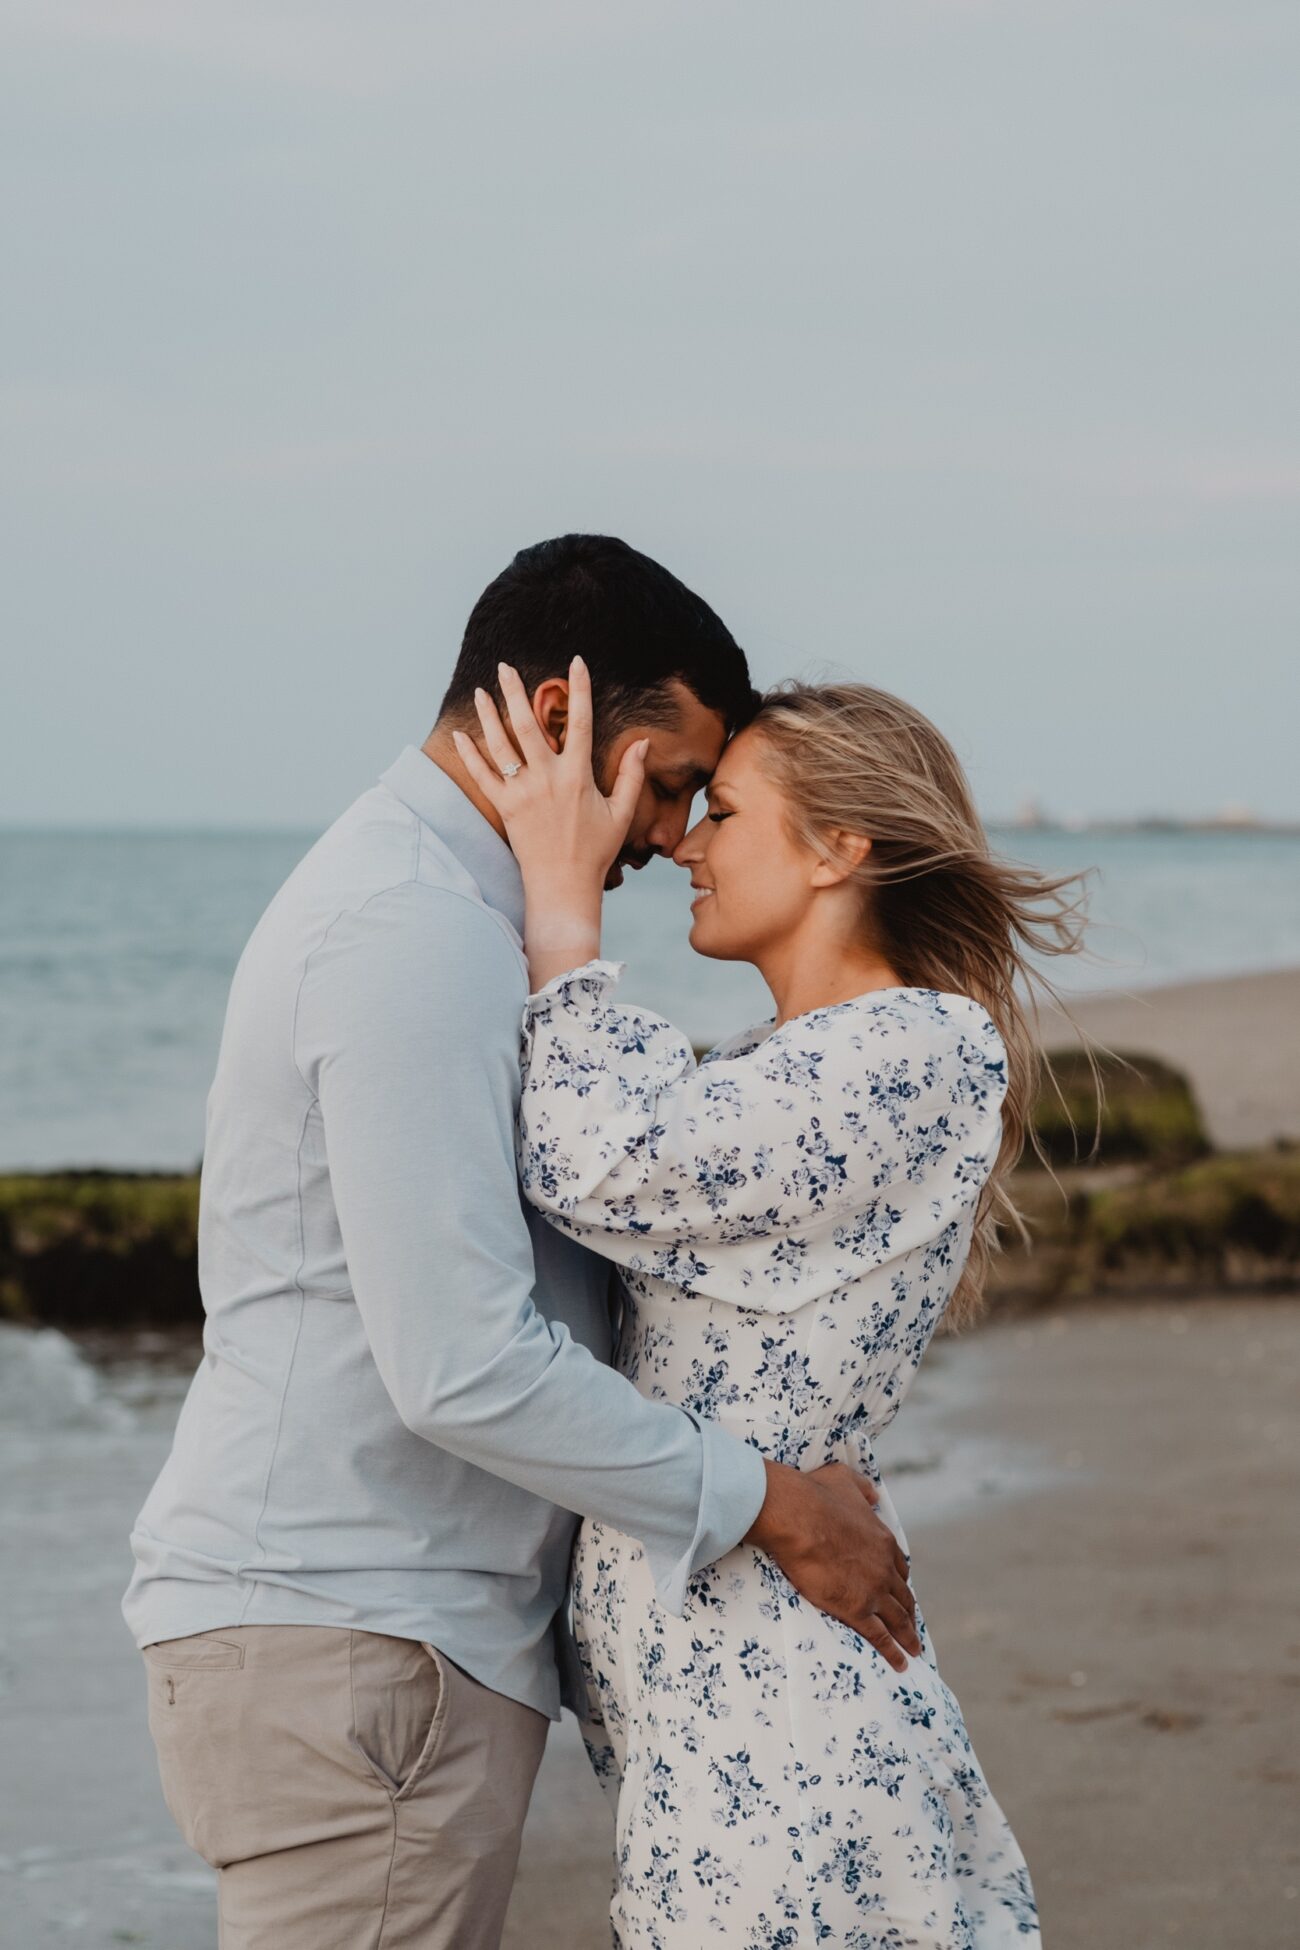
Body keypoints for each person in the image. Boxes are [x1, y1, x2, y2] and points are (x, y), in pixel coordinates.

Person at [122, 536, 919, 1950]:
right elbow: (460, 1365)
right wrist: (778, 1504)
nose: (673, 837)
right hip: (362, 1641)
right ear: (558, 720)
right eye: (669, 784)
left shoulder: (450, 917)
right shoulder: (413, 933)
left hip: (373, 1635)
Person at [455, 662, 1087, 1946]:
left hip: (778, 1700)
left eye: (723, 812)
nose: (684, 844)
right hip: (705, 1687)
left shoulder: (916, 1049)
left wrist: (563, 913)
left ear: (839, 847)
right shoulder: (776, 1066)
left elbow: (597, 1161)